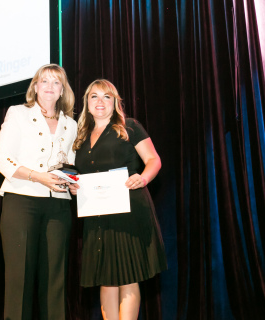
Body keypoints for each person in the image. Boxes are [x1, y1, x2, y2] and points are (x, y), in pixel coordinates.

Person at [69, 79, 167, 320]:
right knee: (106, 277)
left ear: (115, 102)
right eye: (94, 96)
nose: (100, 102)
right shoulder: (80, 137)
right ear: (87, 103)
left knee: (127, 275)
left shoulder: (129, 127)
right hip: (96, 214)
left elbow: (154, 160)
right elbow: (82, 176)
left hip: (129, 210)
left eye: (106, 97)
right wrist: (75, 187)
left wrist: (143, 179)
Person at [0, 64, 77, 320]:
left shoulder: (71, 124)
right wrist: (38, 176)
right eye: (45, 81)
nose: (50, 87)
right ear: (35, 87)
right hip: (21, 201)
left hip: (59, 204)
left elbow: (70, 164)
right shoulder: (18, 113)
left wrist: (74, 184)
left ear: (63, 90)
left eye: (56, 82)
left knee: (55, 280)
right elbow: (2, 158)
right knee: (19, 279)